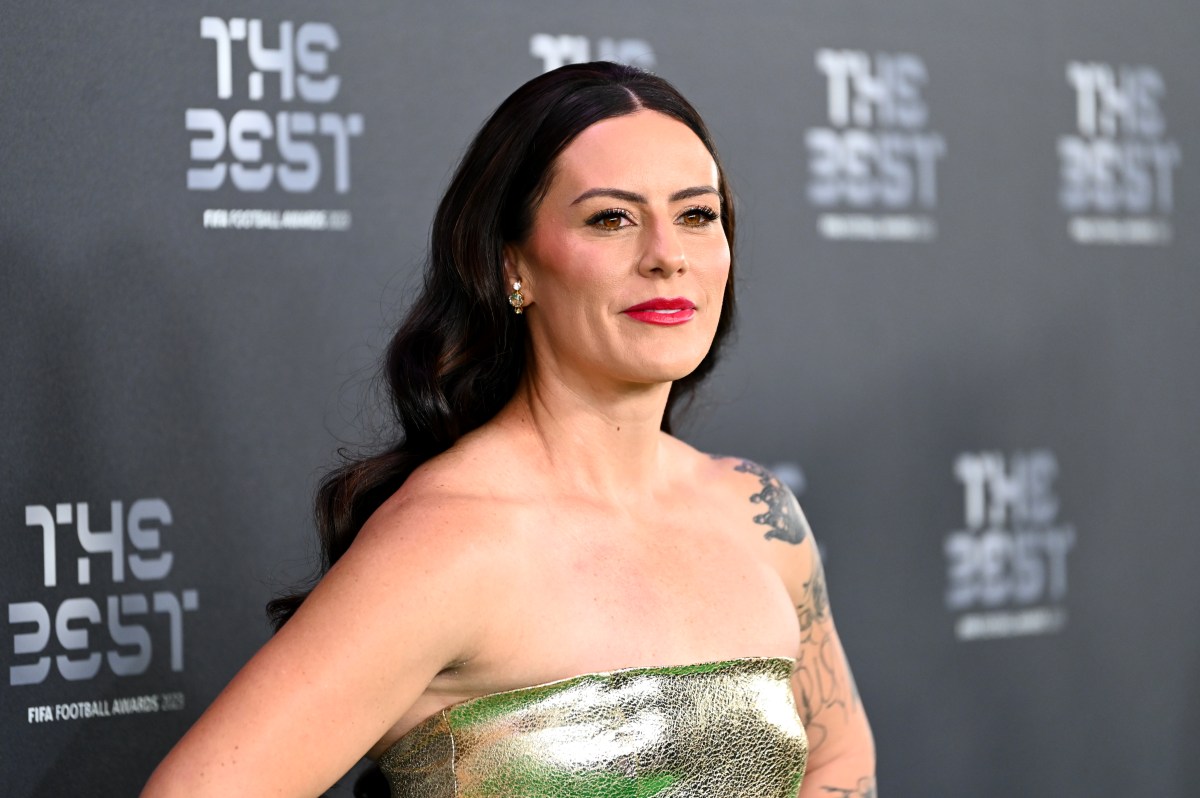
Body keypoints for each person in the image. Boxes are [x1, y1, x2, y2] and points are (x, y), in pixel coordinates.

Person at [142, 61, 875, 798]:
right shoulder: (449, 542)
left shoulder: (754, 512)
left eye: (696, 214)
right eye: (610, 218)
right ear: (510, 266)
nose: (666, 255)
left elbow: (840, 762)